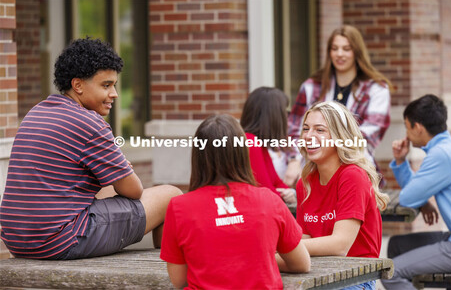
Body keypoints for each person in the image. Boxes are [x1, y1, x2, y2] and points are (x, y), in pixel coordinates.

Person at [0, 38, 181, 260]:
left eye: (114, 85)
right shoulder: (90, 124)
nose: (114, 93)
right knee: (171, 196)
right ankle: (165, 272)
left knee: (105, 187)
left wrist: (114, 174)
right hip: (60, 240)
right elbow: (135, 191)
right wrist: (123, 169)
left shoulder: (37, 112)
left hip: (18, 241)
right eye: (106, 85)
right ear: (78, 85)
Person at [160, 114, 310, 289]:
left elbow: (179, 279)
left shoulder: (178, 207)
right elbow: (302, 263)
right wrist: (254, 262)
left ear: (198, 156)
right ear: (241, 153)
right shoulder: (270, 200)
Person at [381, 95, 451, 290]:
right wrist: (401, 161)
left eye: (407, 127)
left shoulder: (441, 155)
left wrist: (420, 199)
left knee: (390, 272)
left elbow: (408, 198)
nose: (406, 135)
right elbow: (416, 192)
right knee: (397, 245)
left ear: (418, 127)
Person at [290, 101, 389, 290]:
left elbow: (340, 245)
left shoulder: (353, 175)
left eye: (320, 130)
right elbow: (305, 237)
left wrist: (286, 248)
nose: (309, 136)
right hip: (318, 272)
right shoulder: (305, 183)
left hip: (355, 278)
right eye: (305, 129)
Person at [285, 25, 393, 187]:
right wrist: (293, 159)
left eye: (346, 49)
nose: (340, 54)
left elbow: (367, 136)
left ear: (356, 52)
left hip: (356, 166)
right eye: (335, 49)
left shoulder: (377, 89)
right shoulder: (311, 87)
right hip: (312, 170)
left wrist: (328, 148)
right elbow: (295, 129)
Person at [240, 86, 296, 204]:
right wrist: (284, 194)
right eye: (285, 112)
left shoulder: (260, 144)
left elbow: (276, 182)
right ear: (273, 116)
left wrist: (289, 193)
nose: (287, 117)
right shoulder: (250, 143)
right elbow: (264, 192)